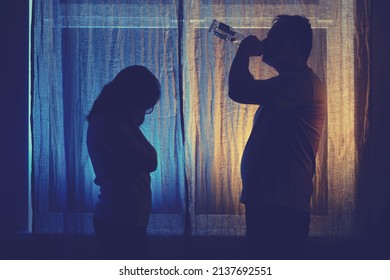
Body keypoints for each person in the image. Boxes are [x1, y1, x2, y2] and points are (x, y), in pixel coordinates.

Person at [228, 15, 327, 259]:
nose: (266, 42)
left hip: (281, 205)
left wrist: (243, 53)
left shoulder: (301, 83)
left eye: (273, 37)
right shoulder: (290, 85)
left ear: (293, 44)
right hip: (272, 201)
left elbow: (239, 90)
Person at [86, 65, 161, 259]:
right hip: (119, 220)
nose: (143, 113)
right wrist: (130, 121)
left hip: (122, 218)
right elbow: (150, 161)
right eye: (142, 105)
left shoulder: (113, 121)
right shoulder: (109, 122)